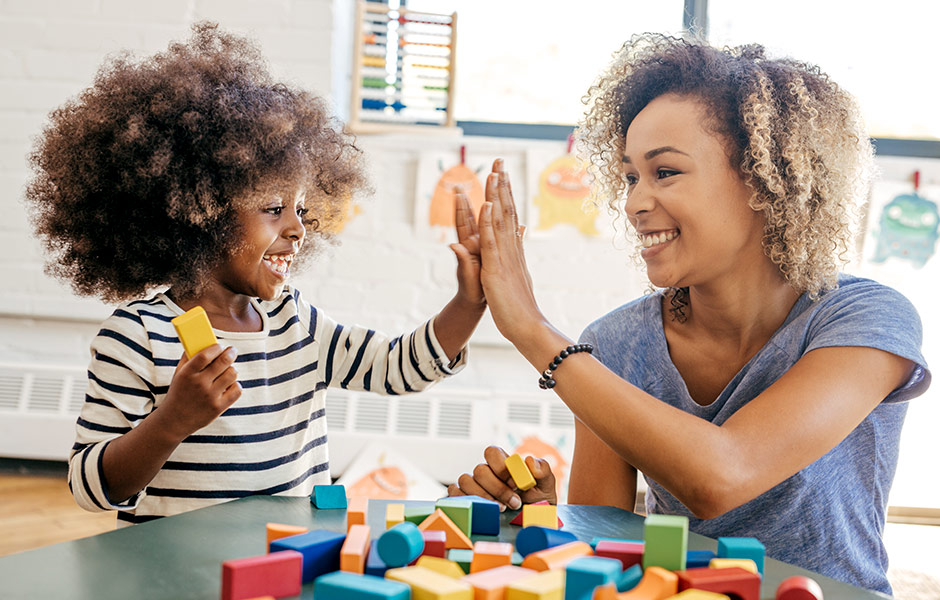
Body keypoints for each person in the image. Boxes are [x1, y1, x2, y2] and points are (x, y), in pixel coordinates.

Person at [447, 34, 930, 594]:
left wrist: (530, 329)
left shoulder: (864, 319)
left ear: (763, 180)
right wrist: (543, 521)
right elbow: (609, 546)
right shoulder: (615, 344)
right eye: (630, 177)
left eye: (665, 172)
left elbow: (722, 475)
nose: (633, 202)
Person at [25, 22, 486, 527]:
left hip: (285, 563)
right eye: (273, 207)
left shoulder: (297, 323)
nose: (298, 228)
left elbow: (396, 368)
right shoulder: (138, 338)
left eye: (302, 209)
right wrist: (172, 421)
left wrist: (469, 302)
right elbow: (91, 488)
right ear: (199, 213)